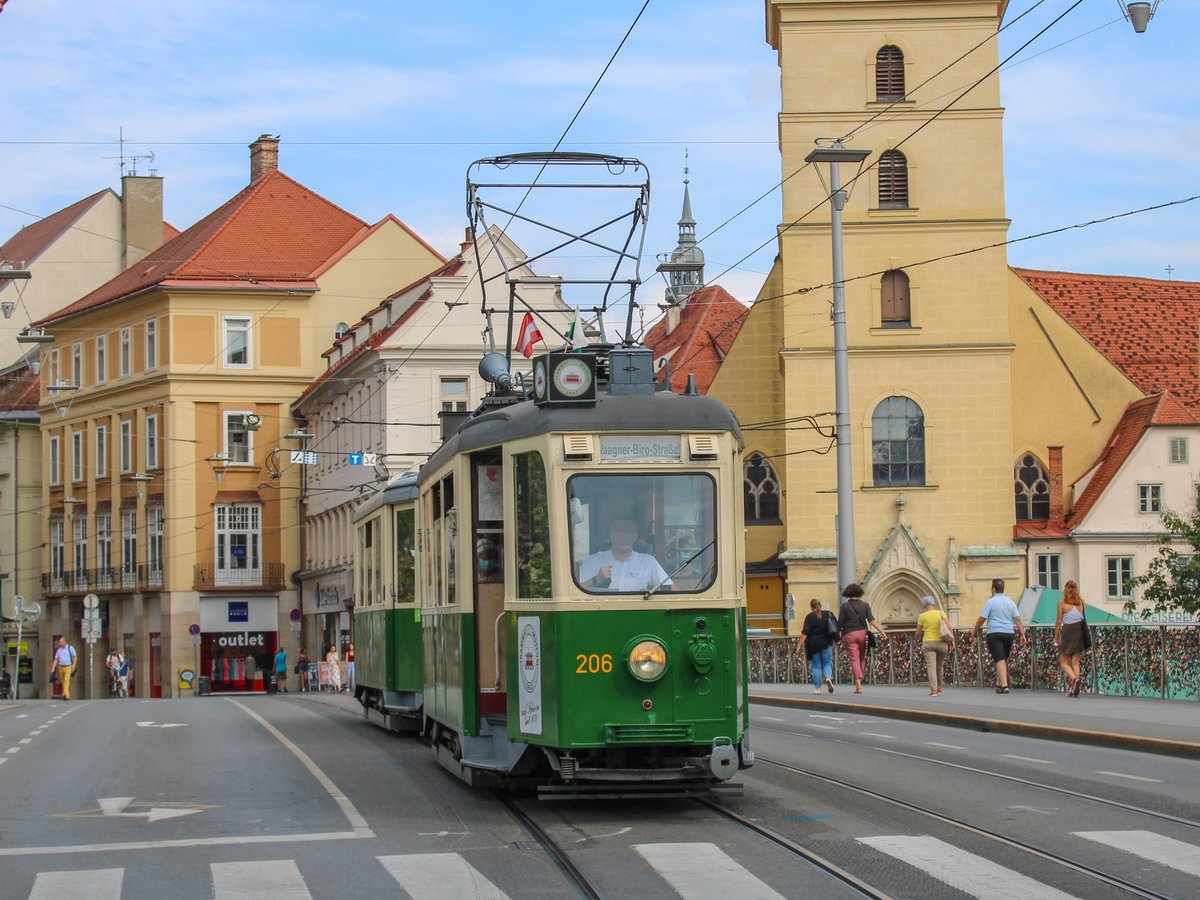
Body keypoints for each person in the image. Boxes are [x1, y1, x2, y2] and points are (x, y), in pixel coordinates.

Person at [578, 518, 672, 592]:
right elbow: (574, 590)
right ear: (610, 535)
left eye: (627, 532)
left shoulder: (648, 562)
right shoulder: (593, 560)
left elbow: (671, 590)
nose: (622, 536)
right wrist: (596, 580)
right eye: (618, 532)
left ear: (635, 536)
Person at [974, 578, 1027, 694]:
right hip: (1009, 633)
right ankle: (998, 684)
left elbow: (982, 619)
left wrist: (975, 631)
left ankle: (1004, 685)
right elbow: (1017, 619)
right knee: (1002, 658)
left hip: (994, 632)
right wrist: (1022, 633)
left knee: (999, 658)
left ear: (993, 589)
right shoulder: (1010, 602)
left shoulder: (990, 602)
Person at [837, 583, 889, 694]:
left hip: (849, 634)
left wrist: (838, 638)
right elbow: (871, 620)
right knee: (861, 657)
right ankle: (860, 678)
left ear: (847, 593)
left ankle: (858, 684)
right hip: (862, 633)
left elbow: (840, 624)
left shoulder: (844, 606)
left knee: (854, 658)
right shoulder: (865, 605)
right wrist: (882, 631)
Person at [1054, 580, 1088, 697]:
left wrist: (1056, 637)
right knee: (1075, 663)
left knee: (1064, 662)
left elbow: (1059, 621)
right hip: (1080, 633)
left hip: (1068, 632)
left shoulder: (1062, 603)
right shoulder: (1081, 603)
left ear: (1065, 590)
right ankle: (1074, 688)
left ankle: (1074, 680)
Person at [915, 595, 953, 696]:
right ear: (933, 604)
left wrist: (917, 638)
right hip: (942, 643)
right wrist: (951, 641)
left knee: (931, 666)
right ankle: (939, 687)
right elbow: (949, 627)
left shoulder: (922, 616)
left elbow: (918, 632)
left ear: (924, 605)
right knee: (939, 665)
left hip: (928, 643)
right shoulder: (941, 613)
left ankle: (934, 690)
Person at [799, 598, 838, 694]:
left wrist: (799, 645)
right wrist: (838, 639)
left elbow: (805, 632)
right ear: (820, 606)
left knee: (816, 666)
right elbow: (835, 627)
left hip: (814, 645)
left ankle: (817, 688)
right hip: (827, 643)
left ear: (811, 607)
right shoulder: (828, 614)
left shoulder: (809, 617)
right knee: (827, 663)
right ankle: (828, 677)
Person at [50, 637, 78, 701]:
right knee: (63, 682)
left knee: (66, 680)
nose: (60, 643)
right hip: (61, 667)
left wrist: (73, 666)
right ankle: (66, 694)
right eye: (59, 642)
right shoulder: (59, 650)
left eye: (61, 642)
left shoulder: (70, 648)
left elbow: (75, 657)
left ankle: (65, 695)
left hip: (68, 666)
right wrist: (53, 667)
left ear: (65, 642)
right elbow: (56, 659)